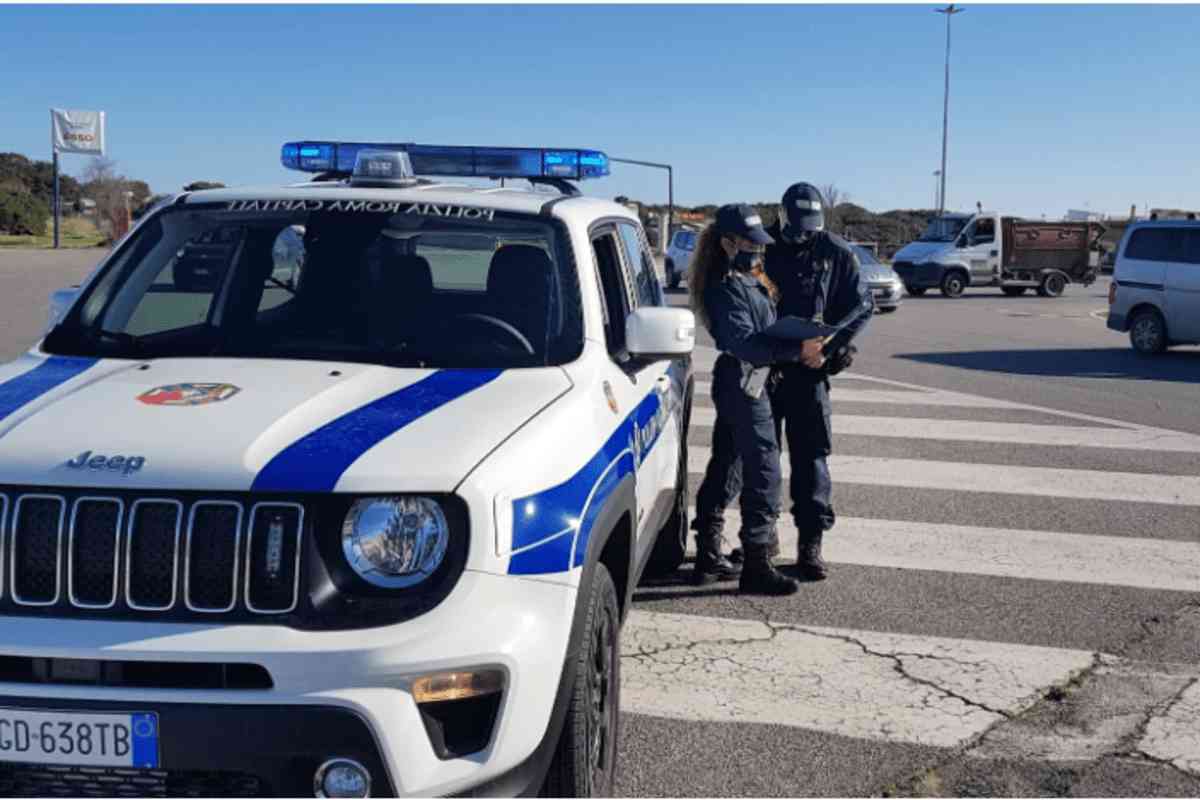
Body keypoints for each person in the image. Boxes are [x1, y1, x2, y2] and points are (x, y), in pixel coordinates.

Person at [689, 204, 820, 595]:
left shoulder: (744, 277)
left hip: (747, 381)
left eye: (760, 243)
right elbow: (745, 343)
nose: (758, 250)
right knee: (763, 469)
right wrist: (798, 350)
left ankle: (708, 554)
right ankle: (756, 563)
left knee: (728, 464)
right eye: (750, 243)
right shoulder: (725, 285)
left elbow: (760, 331)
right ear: (728, 243)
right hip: (744, 382)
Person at [764, 182, 872, 581]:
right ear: (782, 216)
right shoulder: (762, 248)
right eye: (797, 226)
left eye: (810, 226)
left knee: (811, 458)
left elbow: (861, 306)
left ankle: (810, 543)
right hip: (764, 367)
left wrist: (834, 348)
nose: (803, 234)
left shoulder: (835, 253)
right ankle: (763, 536)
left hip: (809, 371)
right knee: (762, 458)